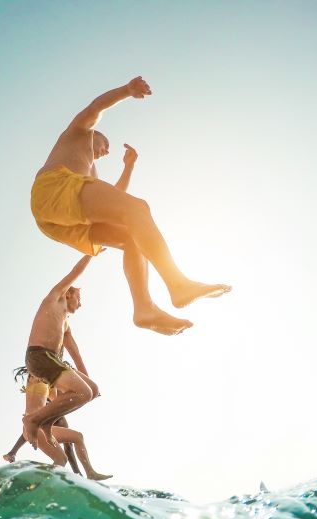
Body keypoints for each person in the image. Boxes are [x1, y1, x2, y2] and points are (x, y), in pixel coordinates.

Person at [31, 76, 230, 336]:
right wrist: (126, 91)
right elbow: (95, 107)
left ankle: (144, 308)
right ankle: (178, 284)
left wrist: (129, 167)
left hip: (56, 219)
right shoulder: (79, 132)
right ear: (96, 135)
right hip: (53, 188)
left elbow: (111, 201)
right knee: (139, 209)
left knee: (130, 235)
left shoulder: (89, 172)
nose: (106, 151)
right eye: (106, 145)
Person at [21, 255, 101, 451]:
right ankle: (34, 420)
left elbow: (75, 352)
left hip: (52, 361)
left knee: (92, 390)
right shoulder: (55, 298)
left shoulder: (65, 324)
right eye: (79, 299)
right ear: (69, 295)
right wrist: (91, 253)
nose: (80, 304)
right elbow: (75, 272)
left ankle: (48, 421)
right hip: (39, 355)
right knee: (84, 392)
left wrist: (86, 378)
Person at [8, 373, 111, 481]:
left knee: (76, 439)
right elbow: (60, 396)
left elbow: (59, 398)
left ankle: (90, 473)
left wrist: (86, 392)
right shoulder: (41, 377)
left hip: (34, 427)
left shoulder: (39, 381)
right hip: (36, 426)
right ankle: (38, 483)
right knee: (61, 459)